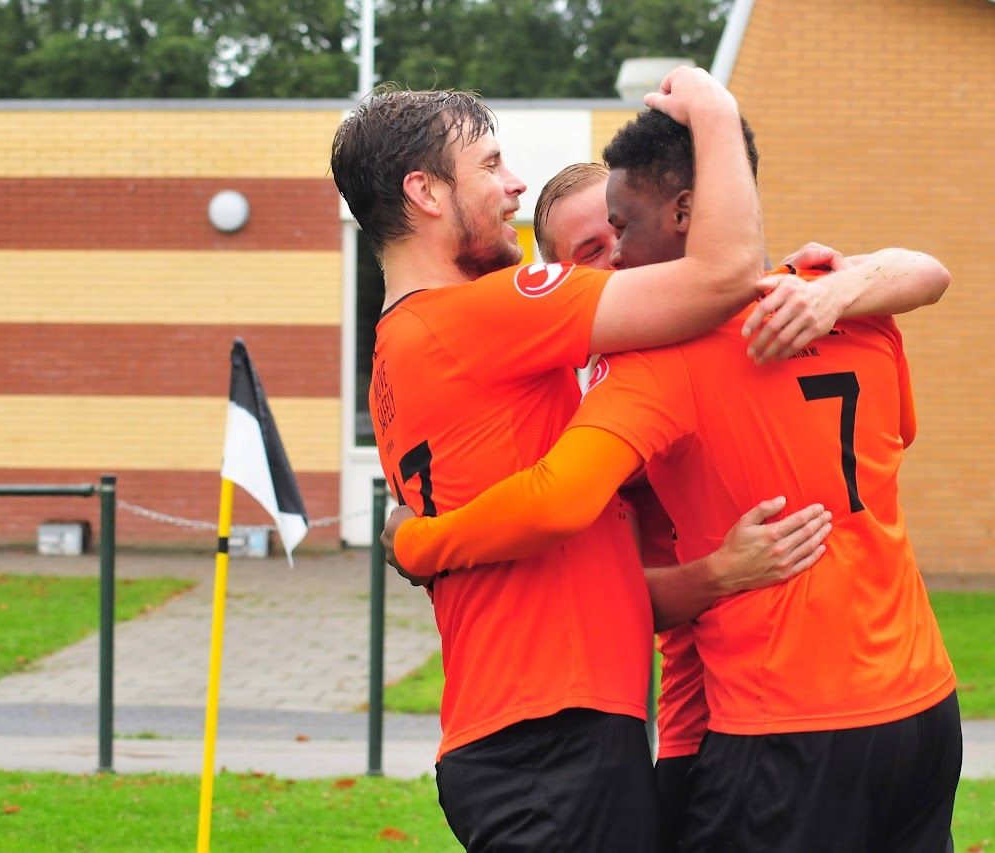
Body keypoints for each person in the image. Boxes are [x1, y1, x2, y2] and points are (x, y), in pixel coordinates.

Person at [388, 109, 959, 851]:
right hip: (907, 704)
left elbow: (559, 502)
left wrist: (418, 542)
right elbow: (923, 283)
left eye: (621, 230)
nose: (617, 258)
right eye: (591, 250)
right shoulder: (829, 300)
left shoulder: (653, 372)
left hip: (772, 718)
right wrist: (841, 288)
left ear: (689, 212)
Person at [331, 68, 829, 852]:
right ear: (425, 193)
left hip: (531, 733)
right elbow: (726, 273)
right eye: (490, 165)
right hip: (547, 739)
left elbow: (580, 562)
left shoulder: (397, 349)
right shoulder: (476, 313)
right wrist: (715, 111)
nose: (513, 185)